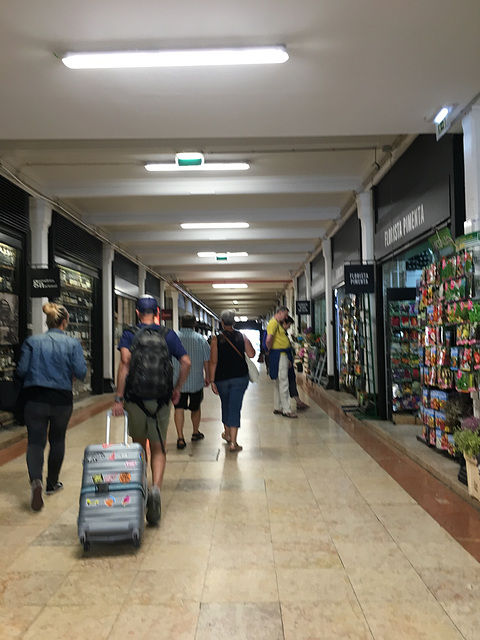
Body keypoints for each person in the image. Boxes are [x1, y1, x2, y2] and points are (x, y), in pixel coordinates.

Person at [112, 295, 191, 525]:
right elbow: (185, 362)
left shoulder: (129, 334)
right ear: (157, 312)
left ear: (137, 312)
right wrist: (177, 388)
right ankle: (156, 488)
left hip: (135, 398)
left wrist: (119, 397)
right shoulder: (168, 335)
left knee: (139, 445)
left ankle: (141, 487)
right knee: (158, 447)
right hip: (161, 399)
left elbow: (125, 363)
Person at [17, 302, 87, 512]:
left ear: (48, 321)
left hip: (35, 398)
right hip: (61, 399)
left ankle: (36, 481)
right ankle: (52, 483)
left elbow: (21, 371)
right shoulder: (72, 343)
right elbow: (81, 372)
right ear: (65, 322)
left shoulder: (32, 341)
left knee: (35, 443)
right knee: (57, 439)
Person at [209, 309, 255, 452]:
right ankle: (233, 442)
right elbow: (252, 354)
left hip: (222, 378)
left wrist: (212, 380)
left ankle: (227, 434)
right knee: (235, 407)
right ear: (234, 322)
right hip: (240, 377)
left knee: (226, 405)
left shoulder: (216, 339)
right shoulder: (242, 336)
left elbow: (213, 361)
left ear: (222, 322)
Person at [173, 313, 210, 449]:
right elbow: (207, 360)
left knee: (179, 408)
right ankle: (195, 432)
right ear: (194, 324)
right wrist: (208, 376)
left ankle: (180, 437)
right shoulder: (201, 339)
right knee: (196, 407)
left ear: (181, 323)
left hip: (177, 381)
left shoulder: (174, 338)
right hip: (196, 380)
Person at [265, 305, 297, 418]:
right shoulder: (273, 323)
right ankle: (286, 409)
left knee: (279, 382)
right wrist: (268, 349)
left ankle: (278, 406)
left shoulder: (277, 324)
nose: (286, 317)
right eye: (286, 315)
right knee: (284, 382)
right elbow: (269, 339)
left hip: (281, 355)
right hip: (279, 355)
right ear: (280, 312)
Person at [280, 316, 309, 411]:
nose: (289, 327)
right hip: (285, 360)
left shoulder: (283, 333)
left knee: (291, 380)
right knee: (289, 381)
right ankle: (295, 403)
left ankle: (298, 401)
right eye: (288, 325)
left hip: (288, 360)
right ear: (284, 323)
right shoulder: (280, 334)